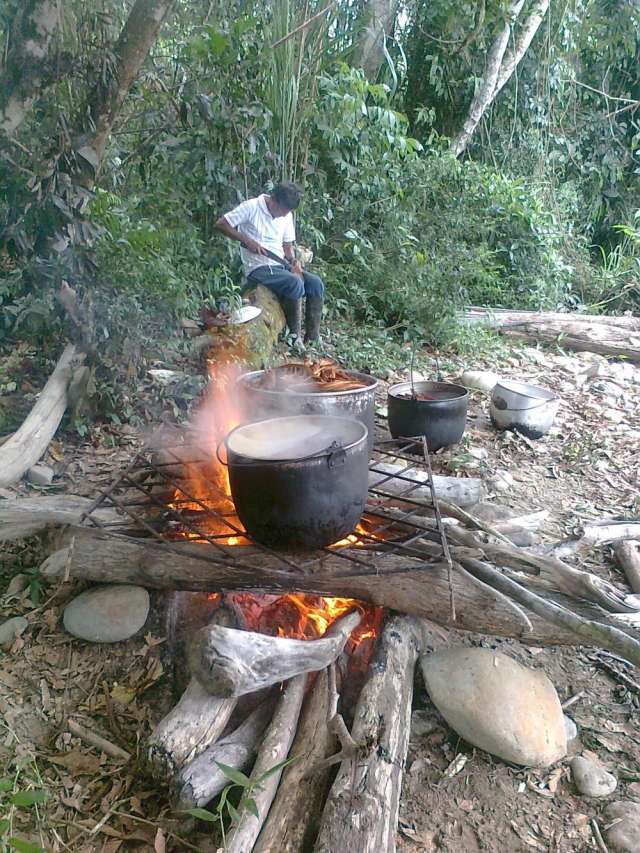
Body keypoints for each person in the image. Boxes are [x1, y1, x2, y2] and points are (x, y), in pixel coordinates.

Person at [215, 182, 324, 345]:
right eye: (282, 210)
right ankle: (294, 338)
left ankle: (313, 337)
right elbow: (221, 224)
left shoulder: (286, 214)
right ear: (273, 200)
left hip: (279, 264)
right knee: (294, 283)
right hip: (258, 267)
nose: (284, 215)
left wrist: (294, 262)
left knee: (315, 283)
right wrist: (247, 240)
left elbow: (287, 246)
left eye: (287, 212)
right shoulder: (251, 207)